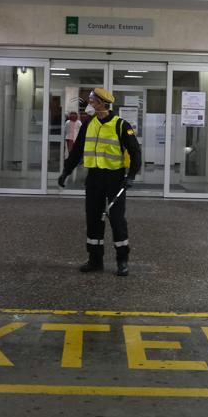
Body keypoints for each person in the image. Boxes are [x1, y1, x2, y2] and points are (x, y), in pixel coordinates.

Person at [58, 87, 142, 276]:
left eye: (92, 101)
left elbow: (135, 151)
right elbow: (78, 150)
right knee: (93, 220)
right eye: (89, 100)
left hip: (114, 179)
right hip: (94, 178)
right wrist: (66, 171)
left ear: (103, 103)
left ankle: (122, 261)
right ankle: (95, 260)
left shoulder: (121, 125)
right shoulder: (89, 124)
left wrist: (131, 176)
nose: (89, 104)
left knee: (117, 220)